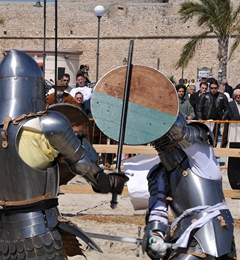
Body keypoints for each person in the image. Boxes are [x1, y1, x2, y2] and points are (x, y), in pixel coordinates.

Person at [0, 50, 129, 259]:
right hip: (39, 231)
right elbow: (84, 165)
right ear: (35, 86)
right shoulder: (50, 125)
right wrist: (107, 181)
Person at [142, 112, 236, 259]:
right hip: (183, 232)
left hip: (212, 229)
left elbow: (177, 129)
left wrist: (152, 108)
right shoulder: (159, 173)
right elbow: (158, 209)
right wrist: (156, 235)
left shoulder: (201, 154)